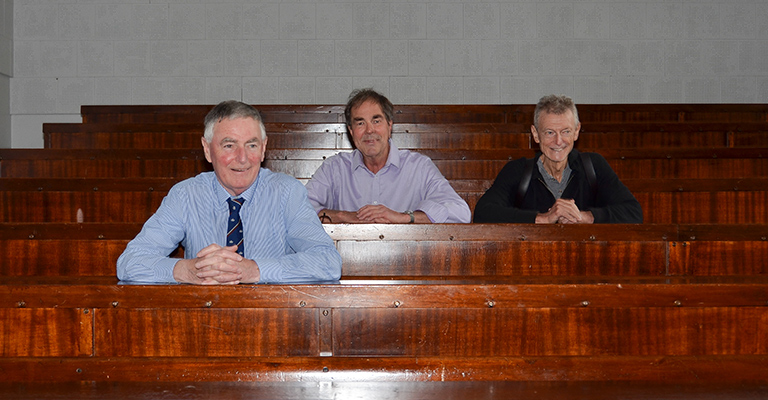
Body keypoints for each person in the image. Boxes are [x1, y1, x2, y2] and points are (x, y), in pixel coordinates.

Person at [117, 100, 342, 284]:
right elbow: (130, 263)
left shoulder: (287, 193)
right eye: (229, 145)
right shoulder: (185, 195)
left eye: (251, 145)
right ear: (207, 149)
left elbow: (327, 262)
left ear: (264, 148)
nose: (242, 158)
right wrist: (188, 270)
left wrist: (253, 270)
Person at [304, 88, 471, 224]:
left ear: (390, 125)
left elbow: (461, 213)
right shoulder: (334, 168)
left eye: (376, 121)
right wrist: (344, 217)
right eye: (360, 123)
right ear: (351, 131)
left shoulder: (419, 167)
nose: (369, 130)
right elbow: (298, 211)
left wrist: (405, 217)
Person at [473, 94, 643, 224]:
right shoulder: (518, 170)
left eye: (566, 131)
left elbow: (633, 212)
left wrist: (584, 217)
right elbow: (483, 212)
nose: (558, 141)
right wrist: (544, 218)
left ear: (577, 131)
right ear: (535, 134)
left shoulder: (593, 166)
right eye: (549, 132)